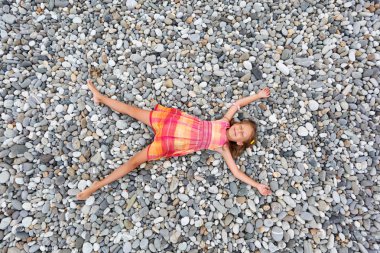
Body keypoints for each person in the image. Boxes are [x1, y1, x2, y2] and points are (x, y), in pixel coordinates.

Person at [76, 80, 272, 200]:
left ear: (239, 143)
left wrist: (257, 185)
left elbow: (236, 172)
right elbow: (237, 104)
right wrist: (258, 95)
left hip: (171, 144)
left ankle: (97, 186)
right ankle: (101, 98)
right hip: (172, 123)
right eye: (240, 127)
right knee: (134, 111)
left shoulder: (222, 147)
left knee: (135, 161)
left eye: (242, 135)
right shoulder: (224, 121)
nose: (238, 131)